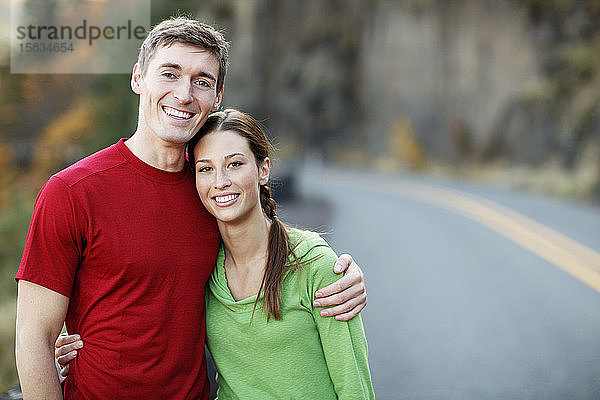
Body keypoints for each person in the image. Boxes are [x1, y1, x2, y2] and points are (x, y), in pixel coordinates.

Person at [15, 17, 367, 400]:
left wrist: (338, 272)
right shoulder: (71, 191)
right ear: (138, 79)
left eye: (201, 81)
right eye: (169, 74)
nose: (184, 94)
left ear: (217, 97)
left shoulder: (210, 190)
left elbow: (262, 246)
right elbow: (35, 336)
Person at [57, 108, 376, 399]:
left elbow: (355, 387)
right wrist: (77, 345)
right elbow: (148, 315)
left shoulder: (315, 264)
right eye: (205, 169)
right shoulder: (203, 269)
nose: (220, 182)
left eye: (234, 164)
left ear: (263, 170)